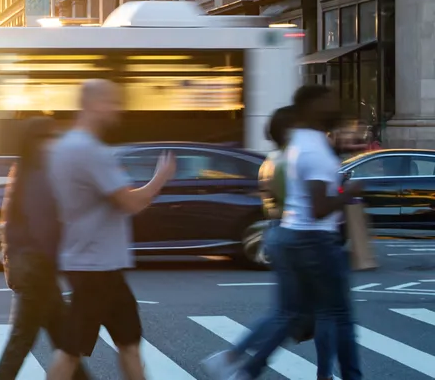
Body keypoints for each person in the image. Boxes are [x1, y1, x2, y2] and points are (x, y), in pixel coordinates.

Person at [222, 85, 364, 380]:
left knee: (290, 313)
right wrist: (347, 191)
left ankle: (246, 366)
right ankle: (335, 374)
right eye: (329, 102)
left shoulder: (288, 153)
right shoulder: (310, 150)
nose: (336, 106)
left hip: (286, 235)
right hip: (311, 237)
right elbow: (317, 207)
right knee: (333, 314)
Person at [44, 80, 176, 380]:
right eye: (112, 102)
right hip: (96, 267)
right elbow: (131, 202)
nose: (117, 109)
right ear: (93, 104)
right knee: (71, 350)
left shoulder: (63, 147)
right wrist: (161, 178)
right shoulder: (90, 151)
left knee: (128, 342)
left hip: (96, 263)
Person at [202, 105, 312, 378]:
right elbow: (302, 205)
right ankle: (240, 362)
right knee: (292, 314)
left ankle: (241, 362)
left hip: (277, 232)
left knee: (288, 312)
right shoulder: (291, 161)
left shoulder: (272, 160)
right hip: (295, 236)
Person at [0, 117, 90, 380]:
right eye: (47, 138)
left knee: (64, 340)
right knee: (23, 341)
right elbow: (43, 228)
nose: (53, 144)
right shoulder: (38, 174)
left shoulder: (26, 170)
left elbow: (10, 225)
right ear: (34, 142)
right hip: (38, 270)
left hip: (36, 270)